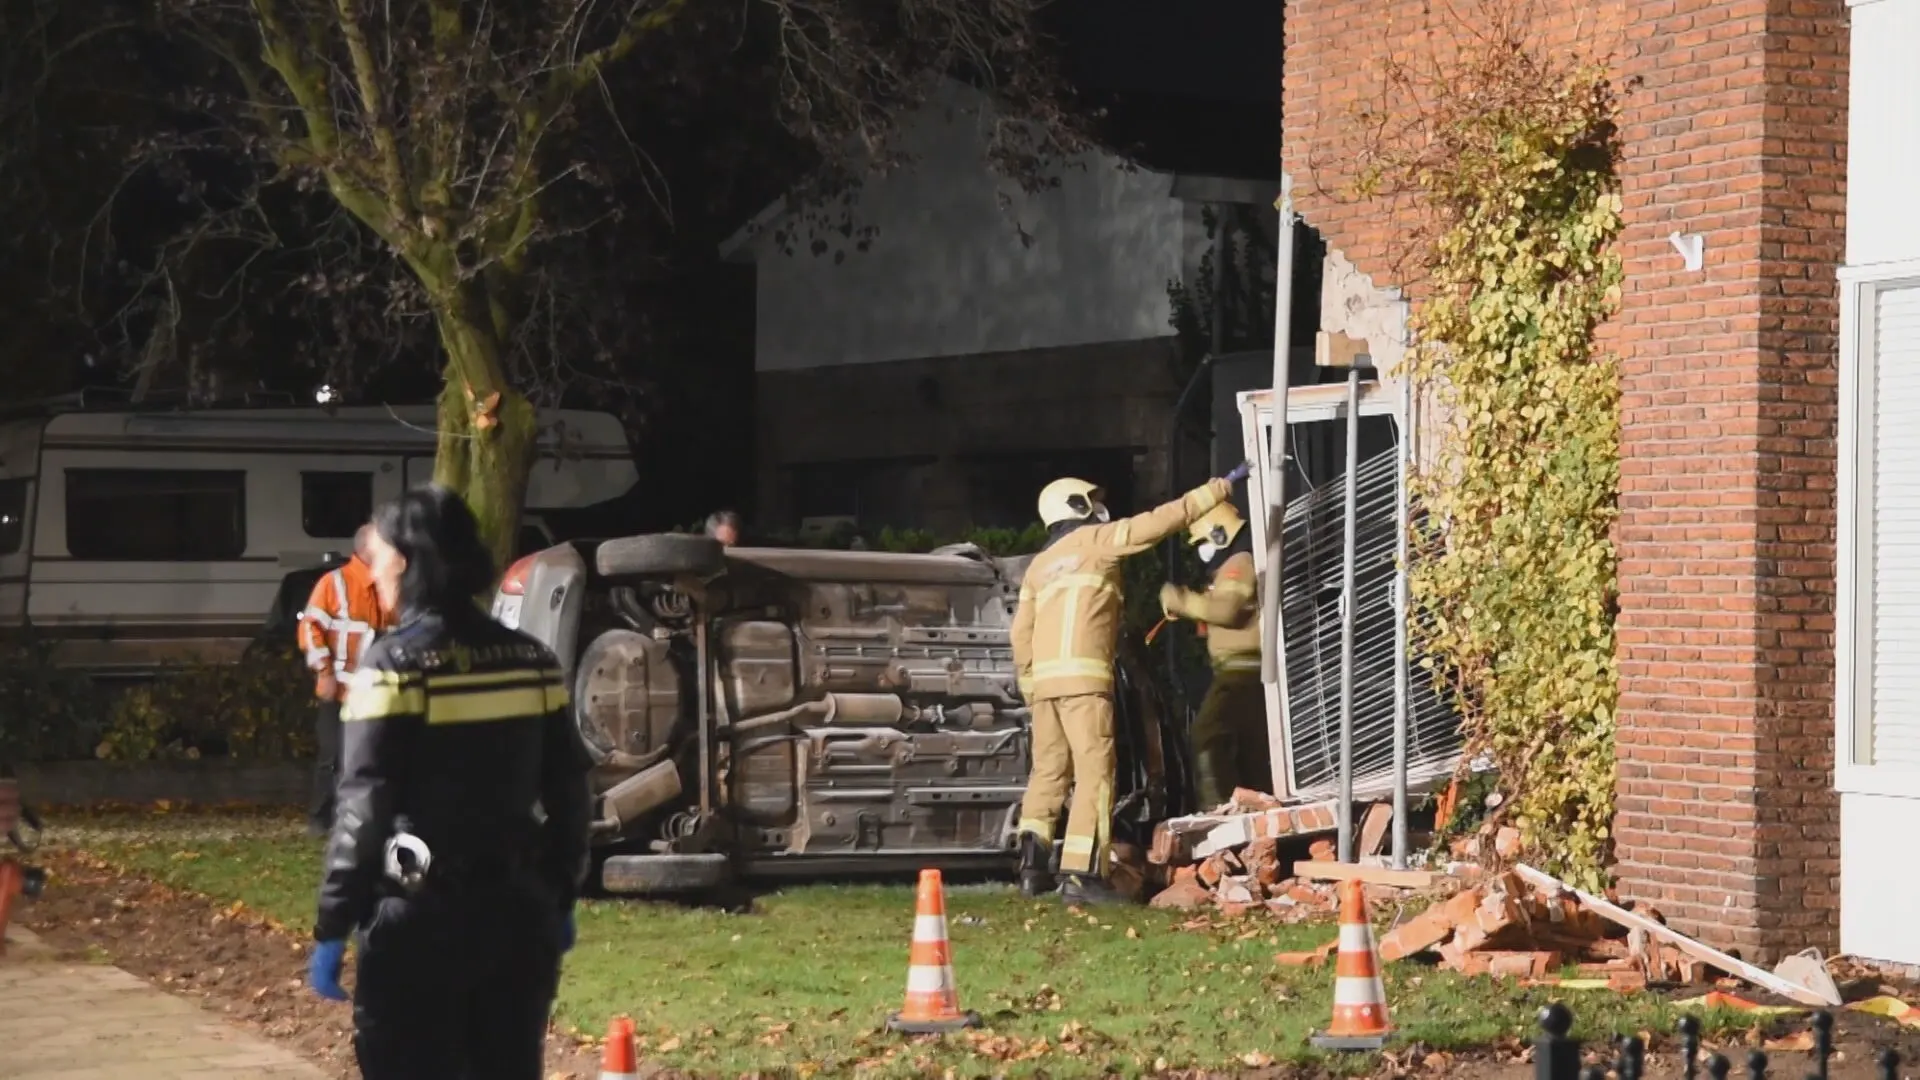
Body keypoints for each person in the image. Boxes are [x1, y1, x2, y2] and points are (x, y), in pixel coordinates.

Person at [306, 485, 593, 1080]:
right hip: (518, 916)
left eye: (378, 558)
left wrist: (334, 923)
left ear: (406, 562)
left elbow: (363, 809)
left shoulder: (393, 667)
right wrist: (560, 891)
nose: (372, 573)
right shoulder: (533, 661)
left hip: (421, 923)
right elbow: (569, 791)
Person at [1010, 461, 1252, 905]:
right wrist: (1217, 489)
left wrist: (1029, 684)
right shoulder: (1097, 541)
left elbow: (1020, 633)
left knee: (1047, 772)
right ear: (1074, 506)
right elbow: (1159, 522)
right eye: (1091, 501)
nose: (1098, 508)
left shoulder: (1038, 567)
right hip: (1085, 682)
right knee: (1095, 775)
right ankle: (1082, 875)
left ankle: (1031, 868)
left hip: (1044, 687)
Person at [1159, 500, 1270, 810]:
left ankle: (1218, 807)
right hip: (1242, 671)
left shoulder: (1239, 563)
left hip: (1241, 670)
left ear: (1220, 533)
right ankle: (1255, 810)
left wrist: (1181, 600)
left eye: (1203, 541)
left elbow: (1226, 611)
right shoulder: (1231, 566)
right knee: (1252, 751)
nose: (1202, 550)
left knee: (1206, 736)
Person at [296, 524, 391, 836]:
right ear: (367, 549)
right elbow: (310, 629)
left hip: (375, 692)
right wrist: (324, 673)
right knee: (333, 756)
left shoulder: (388, 583)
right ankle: (321, 819)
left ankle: (358, 818)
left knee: (370, 757)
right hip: (340, 690)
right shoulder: (334, 583)